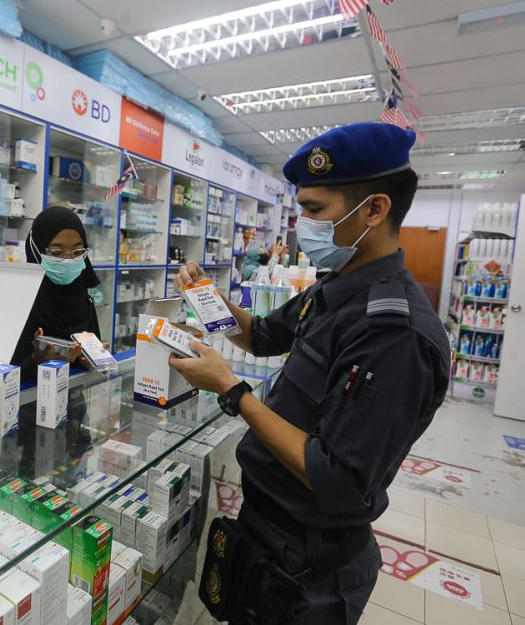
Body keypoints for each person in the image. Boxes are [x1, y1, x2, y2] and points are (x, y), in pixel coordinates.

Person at [171, 123, 450, 624]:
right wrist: (207, 299)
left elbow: (339, 478)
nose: (303, 224)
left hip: (312, 569)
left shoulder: (394, 333)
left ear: (375, 209)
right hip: (267, 534)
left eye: (315, 210)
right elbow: (261, 336)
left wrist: (233, 391)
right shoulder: (335, 286)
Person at [0, 206, 104, 379]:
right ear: (36, 250)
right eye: (56, 252)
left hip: (73, 401)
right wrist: (36, 360)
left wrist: (90, 360)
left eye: (77, 251)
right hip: (24, 403)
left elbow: (88, 357)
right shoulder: (14, 300)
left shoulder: (83, 300)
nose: (68, 260)